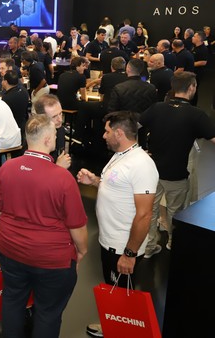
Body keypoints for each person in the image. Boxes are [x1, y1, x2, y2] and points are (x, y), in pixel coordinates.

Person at [0, 114, 88, 337]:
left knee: (12, 300)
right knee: (48, 313)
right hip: (52, 261)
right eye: (54, 134)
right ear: (46, 139)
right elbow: (77, 226)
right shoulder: (63, 178)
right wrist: (82, 251)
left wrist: (8, 236)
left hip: (11, 251)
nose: (56, 137)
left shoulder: (6, 168)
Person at [77, 111, 158, 338]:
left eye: (107, 131)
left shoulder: (142, 165)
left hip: (123, 247)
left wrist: (129, 254)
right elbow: (116, 187)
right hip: (110, 242)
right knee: (116, 290)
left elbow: (144, 214)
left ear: (119, 133)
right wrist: (95, 181)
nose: (103, 136)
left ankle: (120, 330)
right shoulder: (121, 155)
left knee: (122, 294)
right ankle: (113, 325)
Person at [140, 72, 215, 257]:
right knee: (176, 211)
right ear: (191, 87)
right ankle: (173, 243)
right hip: (177, 174)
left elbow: (133, 127)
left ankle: (148, 247)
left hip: (152, 172)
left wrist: (140, 150)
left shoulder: (157, 108)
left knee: (150, 210)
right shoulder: (197, 115)